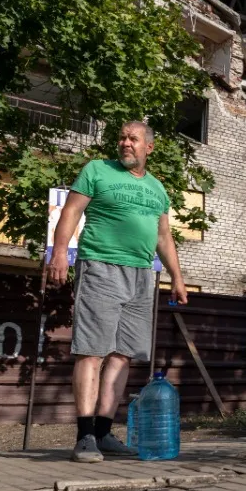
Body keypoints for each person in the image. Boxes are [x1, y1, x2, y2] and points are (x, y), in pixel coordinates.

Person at [50, 121, 189, 463]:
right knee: (92, 350)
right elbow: (70, 212)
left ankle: (103, 432)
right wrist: (59, 252)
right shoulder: (97, 170)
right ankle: (84, 437)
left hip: (142, 274)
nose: (125, 143)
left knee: (123, 354)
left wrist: (177, 277)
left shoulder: (158, 189)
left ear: (148, 148)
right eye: (122, 138)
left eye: (133, 138)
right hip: (101, 267)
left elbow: (163, 237)